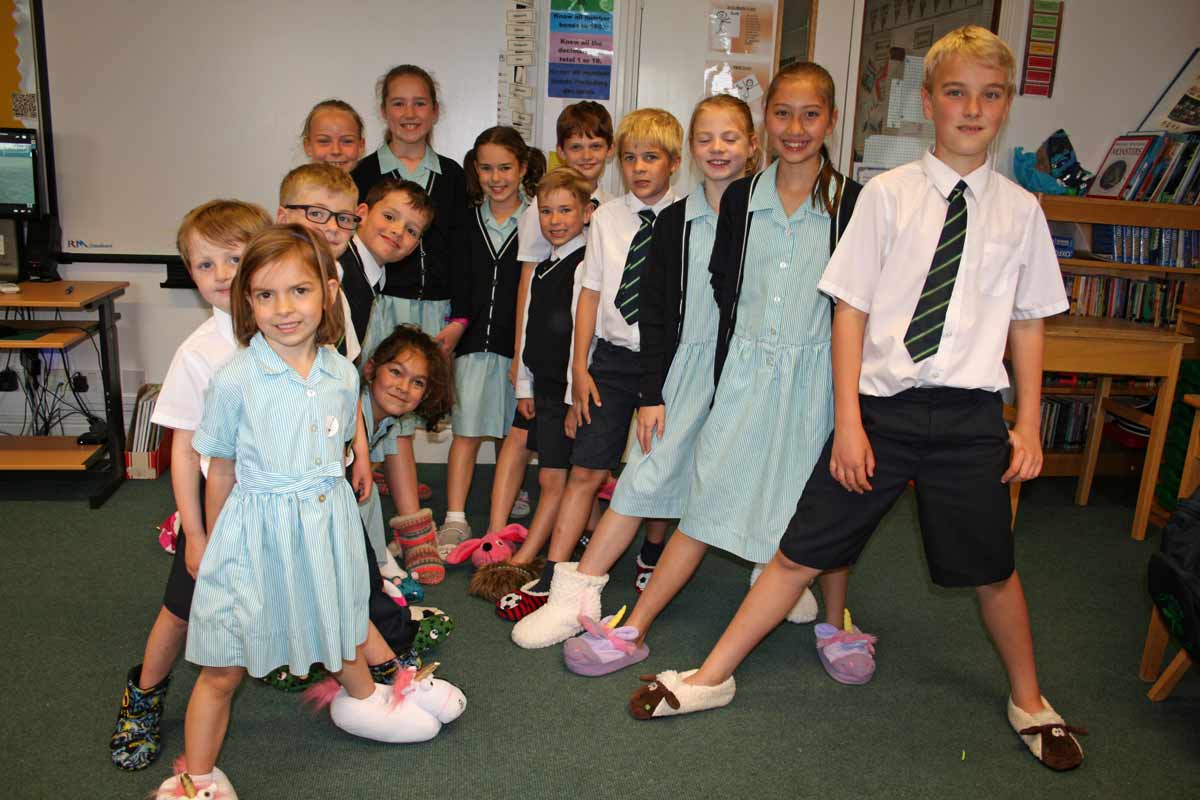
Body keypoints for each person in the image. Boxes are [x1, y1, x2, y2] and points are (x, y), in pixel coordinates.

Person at [628, 28, 1087, 775]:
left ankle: (1030, 699)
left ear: (1007, 105)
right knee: (797, 553)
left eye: (990, 94)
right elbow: (850, 310)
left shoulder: (1020, 211)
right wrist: (847, 421)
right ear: (928, 102)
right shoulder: (886, 197)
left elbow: (1029, 320)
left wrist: (1028, 421)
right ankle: (711, 676)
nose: (973, 109)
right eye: (956, 93)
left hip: (971, 416)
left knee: (994, 570)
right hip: (881, 412)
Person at [152, 225, 443, 798]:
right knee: (224, 666)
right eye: (265, 295)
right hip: (256, 532)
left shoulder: (338, 368)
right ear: (248, 303)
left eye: (299, 291)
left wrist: (357, 455)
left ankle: (367, 702)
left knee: (337, 623)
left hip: (324, 523)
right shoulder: (236, 379)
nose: (283, 309)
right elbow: (224, 471)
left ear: (329, 293)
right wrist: (207, 542)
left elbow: (344, 420)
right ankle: (197, 777)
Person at [505, 108, 682, 631]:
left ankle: (652, 550)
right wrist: (580, 369)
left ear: (674, 162)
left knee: (655, 468)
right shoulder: (606, 217)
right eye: (629, 159)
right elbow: (592, 293)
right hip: (609, 357)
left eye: (650, 158)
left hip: (662, 363)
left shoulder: (687, 217)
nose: (639, 168)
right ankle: (559, 575)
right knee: (587, 467)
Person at [109, 200, 270, 772]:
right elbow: (182, 449)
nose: (224, 273)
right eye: (206, 265)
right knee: (181, 611)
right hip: (216, 512)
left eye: (235, 257)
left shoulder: (290, 329)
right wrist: (195, 532)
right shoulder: (200, 352)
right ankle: (144, 696)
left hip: (277, 511)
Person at [483, 102, 619, 555]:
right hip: (542, 372)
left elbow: (593, 315)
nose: (585, 154)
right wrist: (521, 364)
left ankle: (564, 548)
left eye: (594, 146)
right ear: (560, 151)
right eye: (575, 146)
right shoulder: (544, 240)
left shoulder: (610, 217)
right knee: (545, 458)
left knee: (570, 468)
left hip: (570, 378)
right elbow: (528, 291)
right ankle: (499, 537)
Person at [352, 63, 469, 512]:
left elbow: (465, 256)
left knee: (414, 401)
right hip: (381, 309)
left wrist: (459, 320)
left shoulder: (455, 177)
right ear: (384, 111)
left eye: (420, 102)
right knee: (384, 407)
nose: (409, 112)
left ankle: (393, 489)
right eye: (398, 103)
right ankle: (408, 519)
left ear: (436, 111)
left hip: (436, 313)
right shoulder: (364, 173)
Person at [441, 126, 545, 552]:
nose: (496, 177)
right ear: (475, 171)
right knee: (466, 432)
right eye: (486, 168)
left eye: (505, 167)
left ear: (522, 168)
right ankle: (455, 516)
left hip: (519, 348)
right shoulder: (465, 221)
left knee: (511, 432)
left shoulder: (540, 219)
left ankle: (512, 489)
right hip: (472, 347)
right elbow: (459, 282)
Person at [276, 163, 363, 361]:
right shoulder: (269, 290)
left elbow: (346, 364)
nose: (333, 227)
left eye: (344, 217)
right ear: (283, 218)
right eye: (316, 213)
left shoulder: (337, 290)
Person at [301, 98, 367, 173]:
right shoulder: (294, 184)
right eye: (324, 141)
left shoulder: (374, 183)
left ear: (361, 146)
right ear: (307, 146)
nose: (336, 151)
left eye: (347, 141)